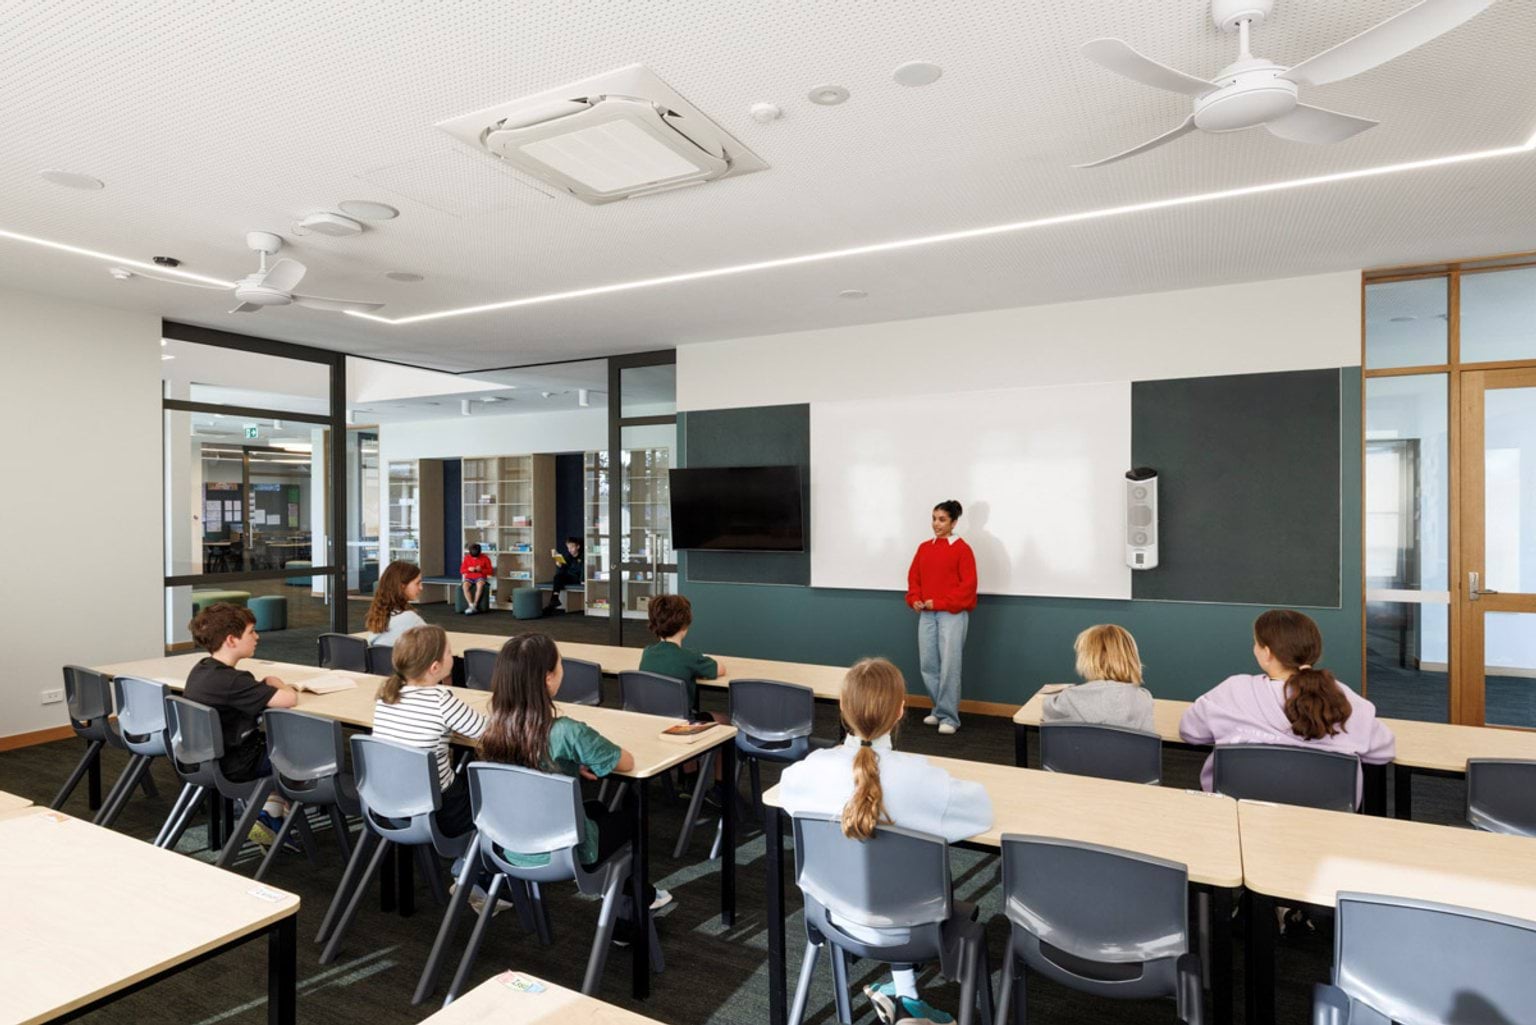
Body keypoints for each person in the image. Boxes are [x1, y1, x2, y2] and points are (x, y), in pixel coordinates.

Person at [778, 657, 993, 1025]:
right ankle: (908, 1000)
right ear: (901, 711)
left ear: (842, 708)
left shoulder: (807, 771)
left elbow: (784, 794)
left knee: (883, 883)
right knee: (902, 889)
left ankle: (906, 996)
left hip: (832, 917)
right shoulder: (927, 782)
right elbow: (982, 814)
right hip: (914, 931)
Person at [480, 632, 672, 929]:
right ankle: (628, 921)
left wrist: (569, 762)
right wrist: (582, 752)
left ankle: (638, 898)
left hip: (506, 844)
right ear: (547, 678)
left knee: (596, 810)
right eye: (559, 664)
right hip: (565, 851)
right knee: (634, 817)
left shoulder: (493, 728)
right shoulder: (567, 732)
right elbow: (627, 762)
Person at [1179, 609, 1396, 795]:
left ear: (1266, 653)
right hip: (1326, 818)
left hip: (1236, 812)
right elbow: (1382, 752)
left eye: (1256, 643)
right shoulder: (1345, 700)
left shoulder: (1232, 691)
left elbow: (1191, 732)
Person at [184, 602, 299, 846]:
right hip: (236, 763)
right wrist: (277, 681)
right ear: (231, 640)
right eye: (251, 632)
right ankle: (271, 814)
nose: (257, 637)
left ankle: (271, 812)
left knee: (278, 747)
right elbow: (288, 699)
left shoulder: (201, 670)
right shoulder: (233, 681)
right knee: (295, 753)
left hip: (203, 757)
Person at [370, 625, 485, 837]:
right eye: (450, 652)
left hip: (387, 800)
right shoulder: (441, 700)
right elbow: (486, 732)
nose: (453, 656)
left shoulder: (386, 696)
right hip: (438, 809)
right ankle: (475, 864)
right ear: (434, 667)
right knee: (488, 798)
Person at [905, 500, 977, 735]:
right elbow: (914, 577)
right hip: (926, 614)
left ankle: (950, 717)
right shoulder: (924, 548)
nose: (936, 524)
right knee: (928, 663)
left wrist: (941, 602)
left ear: (954, 522)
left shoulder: (962, 549)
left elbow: (968, 588)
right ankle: (938, 709)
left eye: (942, 519)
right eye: (934, 518)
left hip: (952, 615)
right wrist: (914, 598)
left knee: (949, 665)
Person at [1041, 624, 1155, 732]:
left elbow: (1047, 710)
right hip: (1126, 753)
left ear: (1088, 660)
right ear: (1131, 658)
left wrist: (1071, 690)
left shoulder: (1069, 698)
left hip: (1080, 752)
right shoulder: (1144, 699)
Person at [638, 594, 728, 722]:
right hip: (682, 724)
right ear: (685, 626)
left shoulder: (647, 653)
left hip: (651, 720)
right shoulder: (690, 657)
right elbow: (721, 669)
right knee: (726, 720)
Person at [366, 560, 426, 645]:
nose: (421, 587)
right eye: (417, 583)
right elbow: (435, 644)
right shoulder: (410, 619)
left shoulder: (379, 617)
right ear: (402, 586)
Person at [545, 536, 584, 614]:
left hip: (577, 578)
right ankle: (554, 599)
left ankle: (554, 600)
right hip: (569, 577)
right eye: (568, 548)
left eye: (572, 547)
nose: (570, 550)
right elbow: (563, 570)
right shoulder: (568, 557)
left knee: (559, 577)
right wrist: (559, 565)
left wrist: (582, 580)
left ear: (578, 546)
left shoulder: (582, 557)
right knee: (557, 576)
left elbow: (583, 570)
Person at [459, 543, 494, 615]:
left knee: (480, 585)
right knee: (465, 586)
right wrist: (468, 569)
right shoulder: (467, 558)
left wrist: (481, 570)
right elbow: (462, 570)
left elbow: (490, 571)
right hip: (469, 577)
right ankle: (471, 605)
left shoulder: (485, 558)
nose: (475, 558)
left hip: (480, 577)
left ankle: (475, 604)